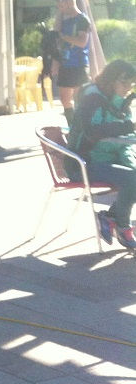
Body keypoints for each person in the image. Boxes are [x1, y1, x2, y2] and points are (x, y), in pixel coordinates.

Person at [67, 59, 136, 250]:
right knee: (133, 179)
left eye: (132, 83)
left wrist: (131, 162)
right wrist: (128, 126)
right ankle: (122, 226)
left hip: (105, 159)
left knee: (134, 175)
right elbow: (93, 132)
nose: (128, 87)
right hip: (82, 163)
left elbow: (125, 139)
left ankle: (111, 217)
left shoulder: (119, 101)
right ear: (112, 80)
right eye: (125, 82)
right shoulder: (92, 98)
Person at [55, 0, 91, 125]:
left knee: (79, 98)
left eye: (61, 6)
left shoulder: (82, 19)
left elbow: (82, 42)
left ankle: (82, 125)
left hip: (79, 63)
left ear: (70, 4)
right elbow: (57, 36)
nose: (60, 9)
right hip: (66, 63)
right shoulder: (65, 20)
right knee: (64, 98)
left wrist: (64, 37)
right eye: (58, 7)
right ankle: (72, 124)